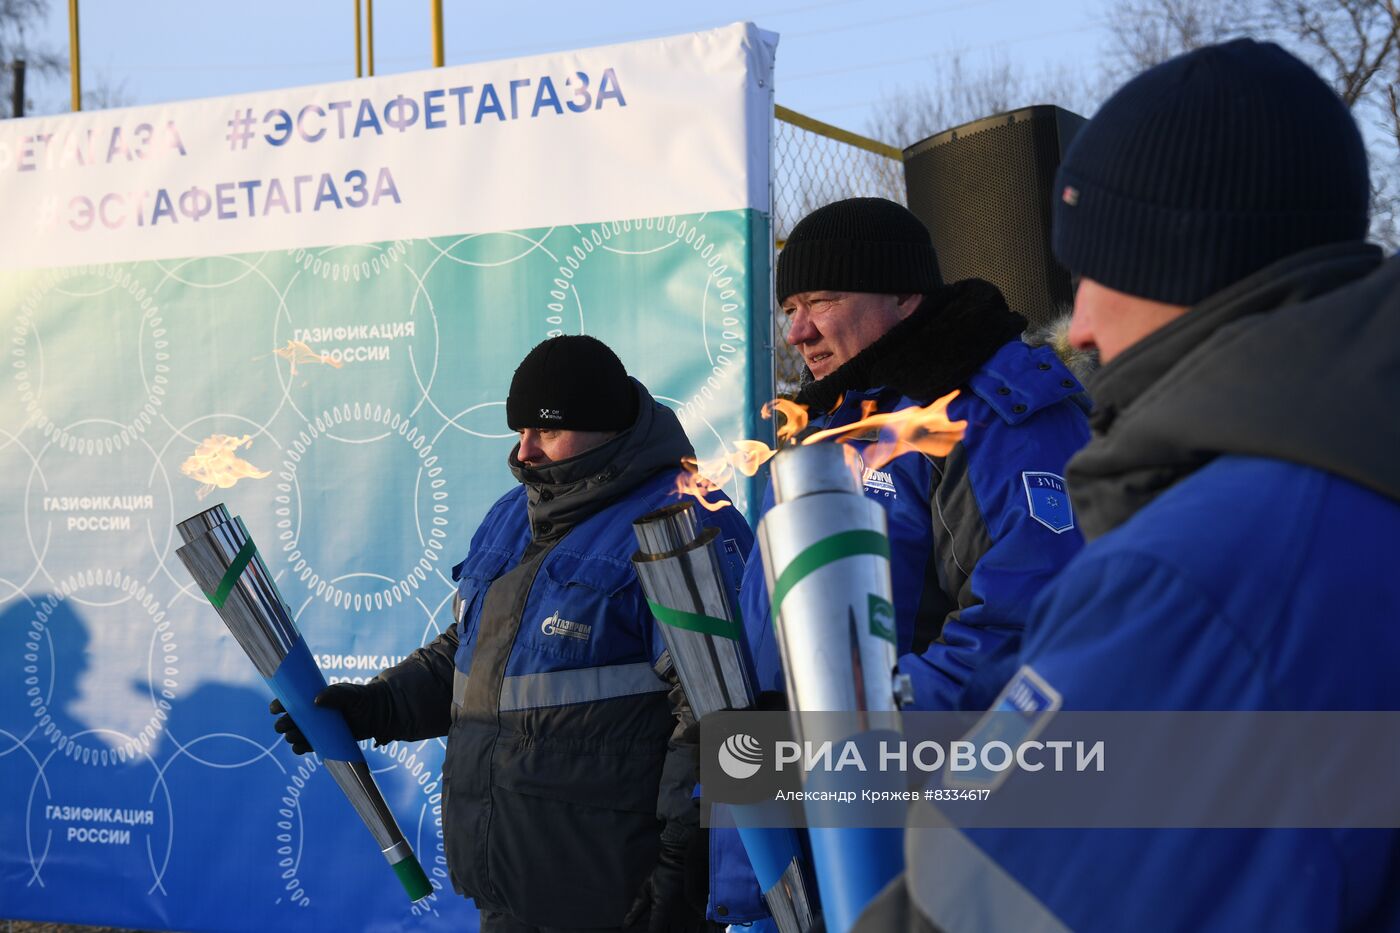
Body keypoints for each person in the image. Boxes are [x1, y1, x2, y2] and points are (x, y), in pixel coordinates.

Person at [880, 38, 1400, 931]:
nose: (1077, 325)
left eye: (1090, 272)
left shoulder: (1202, 570)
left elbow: (982, 895)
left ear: (1180, 260)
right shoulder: (1359, 477)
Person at [272, 335, 752, 933]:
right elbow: (469, 654)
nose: (524, 452)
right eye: (520, 430)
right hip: (511, 891)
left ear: (606, 427)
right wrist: (378, 706)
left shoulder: (683, 521)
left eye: (545, 432)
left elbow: (727, 719)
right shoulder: (512, 514)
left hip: (623, 902)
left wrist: (685, 874)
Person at [709, 198, 1093, 924]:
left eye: (822, 300)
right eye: (791, 305)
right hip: (784, 853)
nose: (797, 330)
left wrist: (861, 727)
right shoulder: (820, 426)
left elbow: (1028, 629)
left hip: (917, 852)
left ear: (904, 295)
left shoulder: (986, 412)